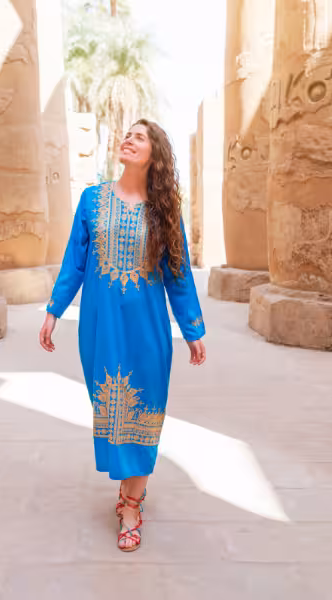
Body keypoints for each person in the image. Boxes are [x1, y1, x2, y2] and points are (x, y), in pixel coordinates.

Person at [38, 119, 206, 552]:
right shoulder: (92, 200)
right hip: (101, 326)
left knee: (146, 408)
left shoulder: (164, 209)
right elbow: (75, 260)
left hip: (148, 328)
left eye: (140, 136)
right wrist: (54, 310)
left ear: (155, 154)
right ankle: (129, 487)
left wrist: (192, 329)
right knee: (110, 404)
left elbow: (179, 273)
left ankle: (132, 502)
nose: (129, 140)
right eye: (127, 134)